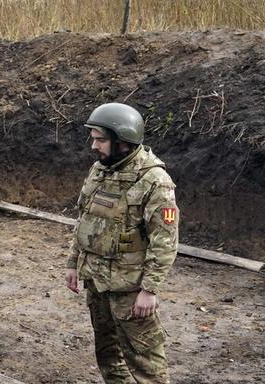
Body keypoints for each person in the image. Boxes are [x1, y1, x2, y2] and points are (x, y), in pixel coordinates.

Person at [65, 103, 179, 384]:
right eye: (93, 138)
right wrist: (72, 263)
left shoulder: (154, 180)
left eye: (100, 140)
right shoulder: (99, 170)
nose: (94, 146)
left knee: (146, 364)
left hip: (130, 290)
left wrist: (150, 290)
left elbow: (165, 241)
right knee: (107, 356)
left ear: (122, 141)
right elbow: (84, 219)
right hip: (97, 282)